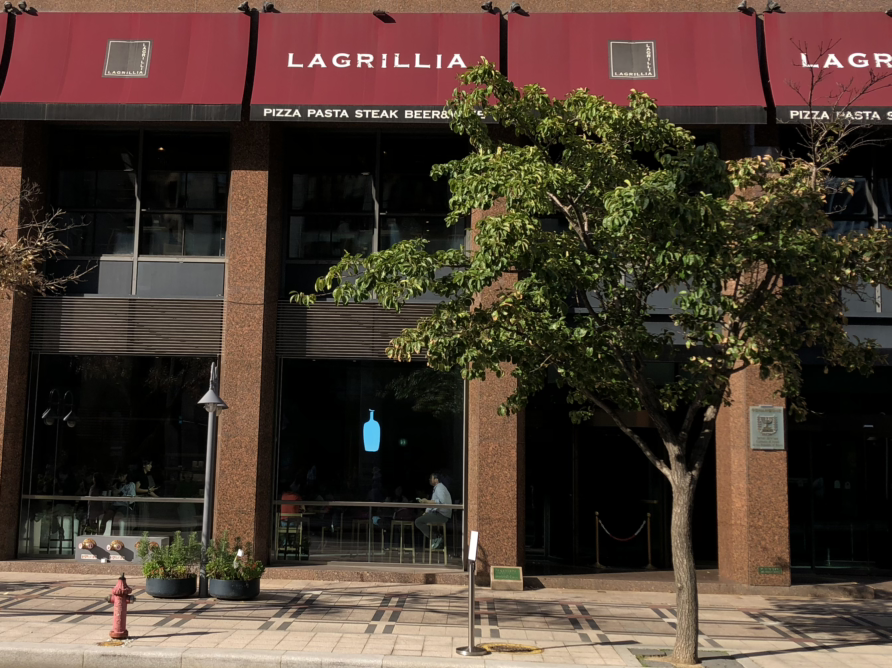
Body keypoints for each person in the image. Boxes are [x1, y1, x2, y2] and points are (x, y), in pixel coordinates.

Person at [415, 472, 452, 550]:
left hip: (442, 515)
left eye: (431, 478)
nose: (429, 480)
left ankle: (436, 538)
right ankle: (437, 537)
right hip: (440, 514)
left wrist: (427, 501)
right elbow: (433, 503)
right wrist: (426, 511)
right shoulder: (437, 488)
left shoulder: (439, 488)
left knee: (418, 521)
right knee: (424, 519)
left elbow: (441, 501)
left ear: (436, 479)